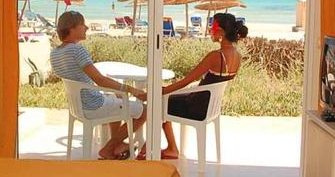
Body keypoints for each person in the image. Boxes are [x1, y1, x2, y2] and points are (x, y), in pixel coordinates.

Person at [138, 12, 247, 160]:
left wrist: (159, 92)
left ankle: (152, 148)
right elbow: (211, 83)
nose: (210, 30)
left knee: (158, 102)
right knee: (166, 99)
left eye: (212, 27)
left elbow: (186, 80)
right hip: (209, 106)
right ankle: (169, 148)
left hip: (195, 107)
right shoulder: (237, 56)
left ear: (221, 31)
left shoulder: (215, 56)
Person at [51, 11, 147, 160]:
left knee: (115, 99)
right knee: (144, 111)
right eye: (82, 24)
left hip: (79, 106)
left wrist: (117, 92)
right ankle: (108, 149)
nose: (86, 27)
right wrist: (131, 90)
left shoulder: (55, 53)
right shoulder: (77, 50)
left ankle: (116, 146)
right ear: (72, 28)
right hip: (93, 105)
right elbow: (99, 79)